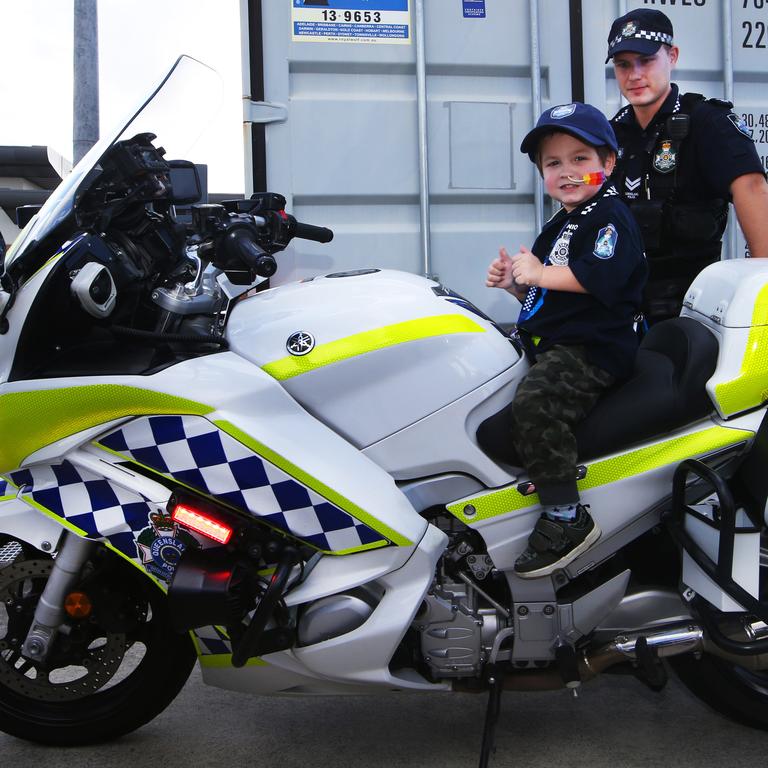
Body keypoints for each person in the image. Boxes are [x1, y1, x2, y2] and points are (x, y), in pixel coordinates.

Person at [486, 103, 647, 578]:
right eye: (553, 163)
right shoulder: (562, 222)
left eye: (581, 159)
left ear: (608, 163)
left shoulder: (609, 216)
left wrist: (539, 271)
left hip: (595, 348)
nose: (568, 172)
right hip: (558, 339)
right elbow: (548, 290)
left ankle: (565, 516)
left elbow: (600, 277)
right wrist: (516, 284)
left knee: (536, 403)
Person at [606, 8, 768, 324]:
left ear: (673, 56)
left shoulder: (709, 123)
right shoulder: (610, 134)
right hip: (621, 307)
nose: (634, 74)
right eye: (623, 65)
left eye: (646, 60)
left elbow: (753, 191)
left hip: (693, 312)